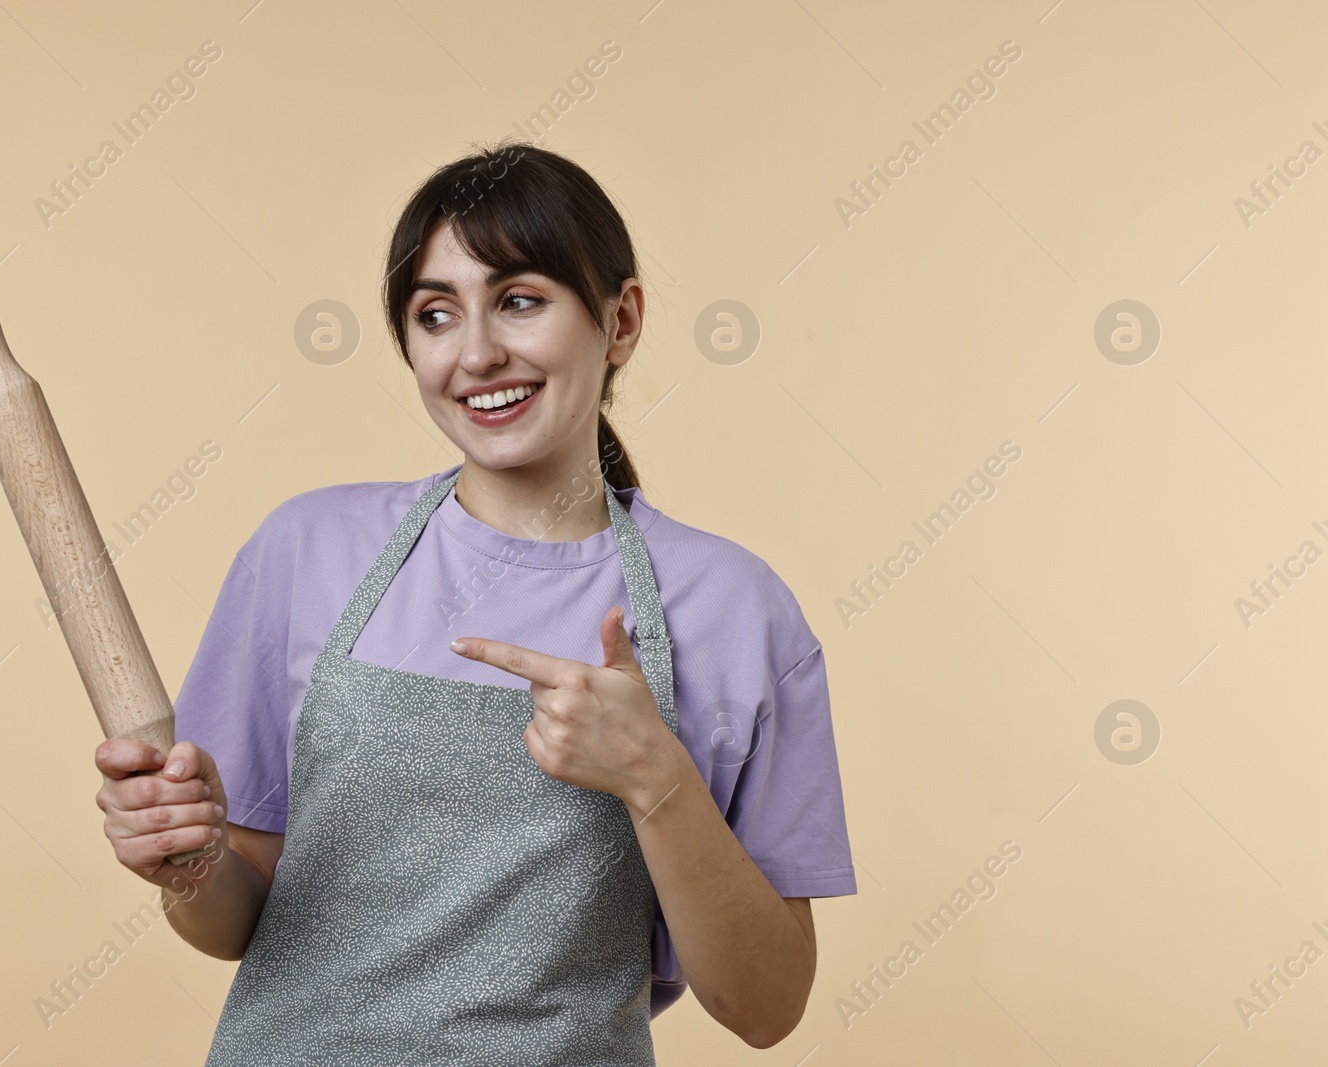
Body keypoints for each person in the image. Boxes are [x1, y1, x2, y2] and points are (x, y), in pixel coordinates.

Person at [93, 141, 857, 1063]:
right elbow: (236, 921)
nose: (478, 352)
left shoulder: (736, 610)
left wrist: (657, 778)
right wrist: (190, 863)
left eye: (521, 300)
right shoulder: (307, 552)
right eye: (436, 314)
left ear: (621, 323)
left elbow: (766, 1006)